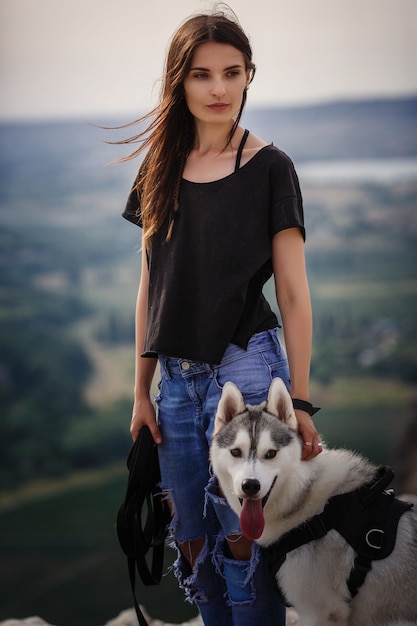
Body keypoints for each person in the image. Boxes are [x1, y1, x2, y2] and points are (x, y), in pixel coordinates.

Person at [121, 8, 321, 626]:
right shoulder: (159, 166)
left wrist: (303, 403)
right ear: (179, 82)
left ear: (249, 76)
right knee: (192, 541)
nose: (217, 89)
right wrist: (141, 392)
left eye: (231, 73)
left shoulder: (270, 168)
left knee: (248, 541)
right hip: (175, 387)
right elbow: (151, 282)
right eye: (202, 75)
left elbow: (292, 292)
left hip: (249, 371)